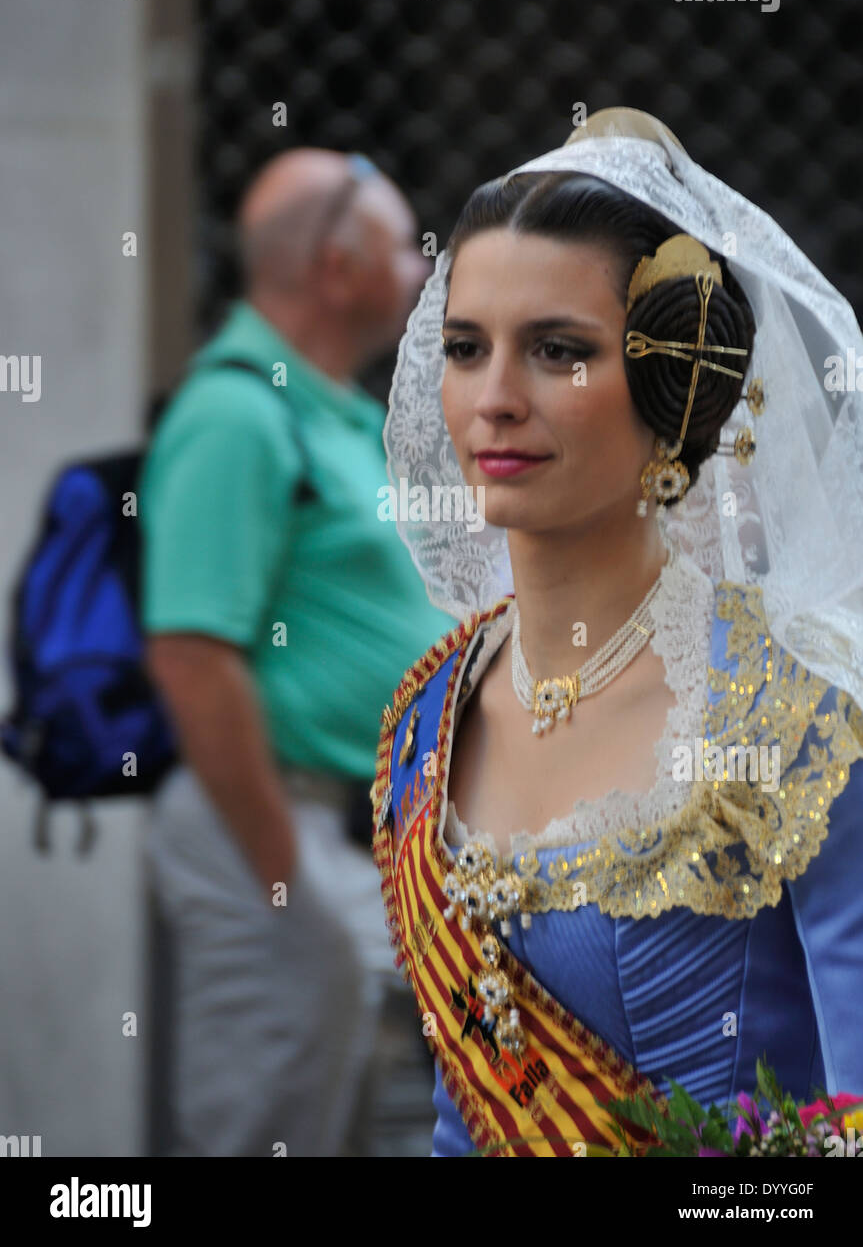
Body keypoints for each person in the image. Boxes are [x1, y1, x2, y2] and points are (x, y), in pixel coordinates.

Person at [370, 108, 863, 1157]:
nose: (493, 399)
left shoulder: (793, 714)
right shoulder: (426, 718)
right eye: (465, 348)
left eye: (557, 350)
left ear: (669, 386)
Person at [141, 148, 454, 1156]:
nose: (421, 270)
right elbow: (192, 652)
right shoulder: (236, 414)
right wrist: (289, 878)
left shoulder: (337, 413)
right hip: (276, 825)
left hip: (346, 840)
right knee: (264, 1131)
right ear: (338, 266)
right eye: (405, 247)